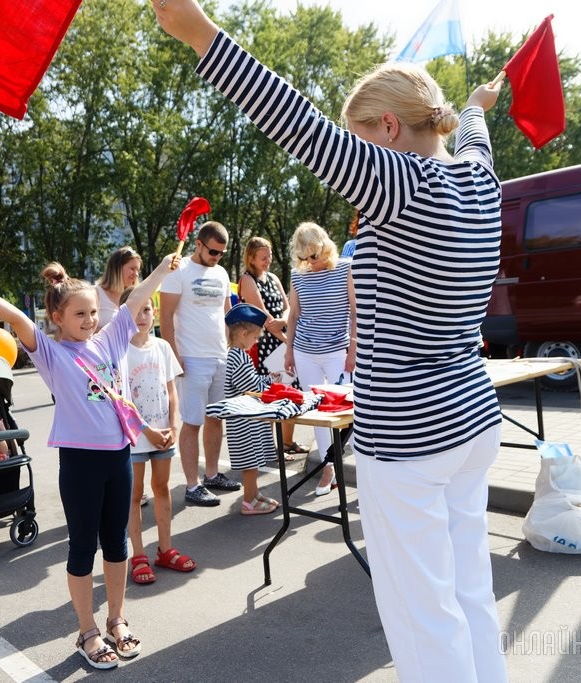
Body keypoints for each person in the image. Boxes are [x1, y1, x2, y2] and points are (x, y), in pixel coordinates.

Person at [153, 3, 505, 681]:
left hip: (409, 433)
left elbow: (296, 123)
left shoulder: (403, 182)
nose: (355, 157)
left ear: (389, 128)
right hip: (470, 416)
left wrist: (201, 34)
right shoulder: (478, 179)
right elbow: (473, 138)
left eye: (361, 139)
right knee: (470, 594)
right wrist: (476, 106)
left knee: (423, 617)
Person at [0, 250, 180, 670]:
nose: (90, 320)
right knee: (83, 548)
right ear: (58, 318)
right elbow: (16, 318)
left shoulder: (110, 339)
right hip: (80, 464)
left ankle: (116, 620)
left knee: (117, 544)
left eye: (93, 312)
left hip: (119, 458)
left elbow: (138, 294)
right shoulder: (52, 354)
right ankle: (87, 631)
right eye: (80, 314)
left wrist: (163, 267)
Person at [159, 220, 238, 507]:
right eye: (213, 251)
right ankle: (192, 486)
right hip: (191, 357)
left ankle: (212, 475)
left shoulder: (221, 273)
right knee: (192, 422)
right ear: (198, 244)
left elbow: (228, 315)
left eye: (221, 253)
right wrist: (173, 355)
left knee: (216, 418)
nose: (217, 257)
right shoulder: (178, 271)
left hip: (220, 355)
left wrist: (234, 345)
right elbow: (165, 317)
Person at [119, 289, 196, 583]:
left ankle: (165, 549)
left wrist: (173, 427)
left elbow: (171, 391)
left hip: (164, 434)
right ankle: (138, 555)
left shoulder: (162, 347)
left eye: (147, 310)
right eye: (135, 310)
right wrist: (146, 430)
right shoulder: (120, 351)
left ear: (154, 314)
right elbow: (122, 401)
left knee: (162, 489)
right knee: (135, 495)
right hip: (136, 437)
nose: (142, 316)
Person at [284, 222, 356, 496]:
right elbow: (293, 315)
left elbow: (355, 311)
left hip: (338, 349)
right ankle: (329, 468)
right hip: (305, 352)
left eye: (314, 255)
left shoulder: (345, 268)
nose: (310, 262)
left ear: (324, 246)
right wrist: (289, 350)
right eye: (304, 257)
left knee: (347, 410)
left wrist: (353, 349)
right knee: (317, 412)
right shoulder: (298, 274)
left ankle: (363, 468)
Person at [236, 235, 305, 458]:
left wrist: (284, 322)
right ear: (251, 259)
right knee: (272, 395)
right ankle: (270, 447)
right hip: (264, 343)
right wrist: (288, 341)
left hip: (283, 338)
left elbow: (288, 306)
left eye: (270, 256)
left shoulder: (273, 277)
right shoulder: (247, 280)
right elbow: (263, 316)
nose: (268, 260)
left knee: (291, 391)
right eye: (263, 257)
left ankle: (287, 441)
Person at [223, 303, 281, 515]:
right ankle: (248, 502)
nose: (256, 341)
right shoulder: (236, 356)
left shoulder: (240, 355)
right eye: (255, 337)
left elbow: (251, 382)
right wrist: (269, 381)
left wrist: (267, 379)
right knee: (250, 463)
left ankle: (254, 495)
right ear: (243, 334)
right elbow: (250, 387)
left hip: (248, 419)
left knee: (254, 460)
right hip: (243, 421)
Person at [96, 246, 142, 329]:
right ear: (117, 268)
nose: (136, 274)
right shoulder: (95, 293)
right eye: (132, 269)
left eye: (138, 270)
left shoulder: (133, 297)